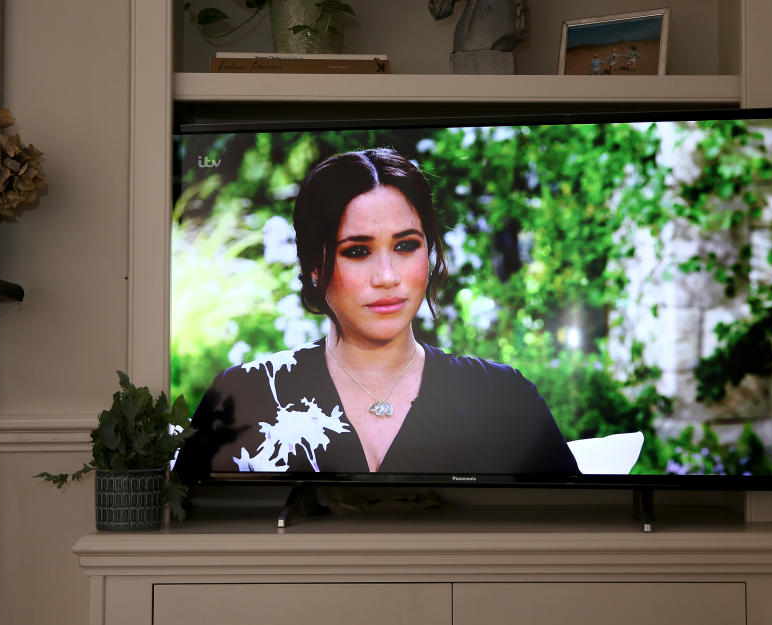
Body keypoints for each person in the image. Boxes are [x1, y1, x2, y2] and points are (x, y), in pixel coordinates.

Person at [173, 148, 579, 483]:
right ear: (315, 265)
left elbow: (570, 533)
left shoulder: (503, 399)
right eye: (357, 251)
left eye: (405, 246)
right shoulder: (244, 396)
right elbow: (185, 538)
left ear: (430, 252)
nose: (387, 277)